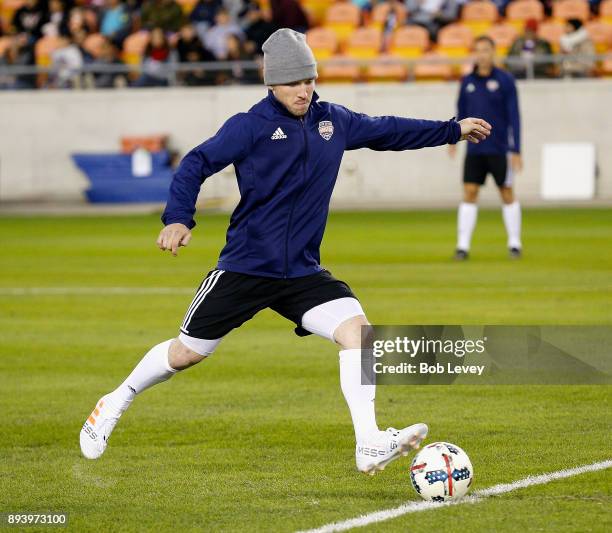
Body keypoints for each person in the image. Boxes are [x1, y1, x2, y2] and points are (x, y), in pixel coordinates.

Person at [80, 28, 491, 474]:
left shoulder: (333, 120)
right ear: (272, 82)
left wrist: (452, 130)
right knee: (186, 354)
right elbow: (195, 163)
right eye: (293, 82)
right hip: (246, 267)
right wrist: (179, 218)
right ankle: (114, 401)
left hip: (301, 273)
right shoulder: (249, 126)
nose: (304, 90)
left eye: (309, 79)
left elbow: (387, 130)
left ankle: (369, 442)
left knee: (359, 332)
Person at [449, 35, 522, 260]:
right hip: (475, 149)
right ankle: (462, 246)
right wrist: (452, 138)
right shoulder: (467, 82)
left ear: (493, 52)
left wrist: (516, 149)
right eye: (478, 50)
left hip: (499, 148)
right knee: (470, 192)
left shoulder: (505, 80)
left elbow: (514, 116)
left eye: (486, 50)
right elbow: (460, 113)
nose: (482, 55)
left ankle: (514, 243)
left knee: (506, 192)